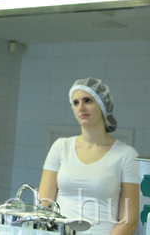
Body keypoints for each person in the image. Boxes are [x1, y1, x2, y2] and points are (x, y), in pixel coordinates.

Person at [38, 78, 139, 235]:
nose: (81, 107)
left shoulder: (126, 155)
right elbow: (44, 205)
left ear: (103, 105)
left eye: (88, 100)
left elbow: (129, 221)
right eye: (76, 103)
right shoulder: (60, 147)